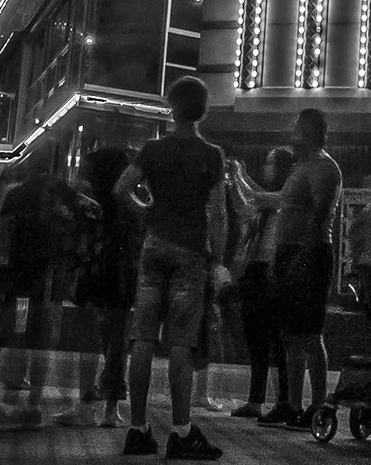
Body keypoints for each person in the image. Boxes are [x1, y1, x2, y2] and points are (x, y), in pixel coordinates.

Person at [115, 75, 230, 461]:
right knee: (182, 344)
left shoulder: (152, 150)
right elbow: (216, 213)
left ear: (171, 105)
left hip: (154, 249)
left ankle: (137, 428)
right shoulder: (212, 155)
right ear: (203, 110)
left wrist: (146, 211)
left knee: (143, 340)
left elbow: (121, 188)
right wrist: (220, 258)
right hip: (191, 253)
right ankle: (181, 431)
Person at [0, 143, 96, 433]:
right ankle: (34, 406)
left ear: (28, 164)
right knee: (42, 341)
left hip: (21, 280)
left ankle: (9, 405)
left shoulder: (16, 194)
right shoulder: (63, 191)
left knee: (19, 338)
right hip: (53, 279)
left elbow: (3, 238)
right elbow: (91, 212)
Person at [231, 109, 341, 428]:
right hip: (289, 254)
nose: (292, 134)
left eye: (297, 128)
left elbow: (320, 219)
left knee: (309, 333)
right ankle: (292, 405)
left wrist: (301, 259)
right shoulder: (302, 167)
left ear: (309, 131)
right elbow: (273, 201)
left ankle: (316, 406)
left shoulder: (324, 167)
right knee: (292, 334)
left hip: (310, 255)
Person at [58, 144, 137, 431]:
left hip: (94, 273)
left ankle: (85, 404)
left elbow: (78, 237)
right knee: (116, 343)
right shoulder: (129, 203)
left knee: (90, 339)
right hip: (122, 276)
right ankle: (112, 409)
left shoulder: (90, 203)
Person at [230, 147, 292, 418]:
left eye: (270, 162)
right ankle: (256, 401)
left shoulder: (287, 197)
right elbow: (246, 205)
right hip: (255, 270)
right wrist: (235, 181)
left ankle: (284, 402)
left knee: (276, 341)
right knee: (255, 338)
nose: (266, 167)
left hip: (272, 271)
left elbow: (256, 197)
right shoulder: (270, 202)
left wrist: (240, 174)